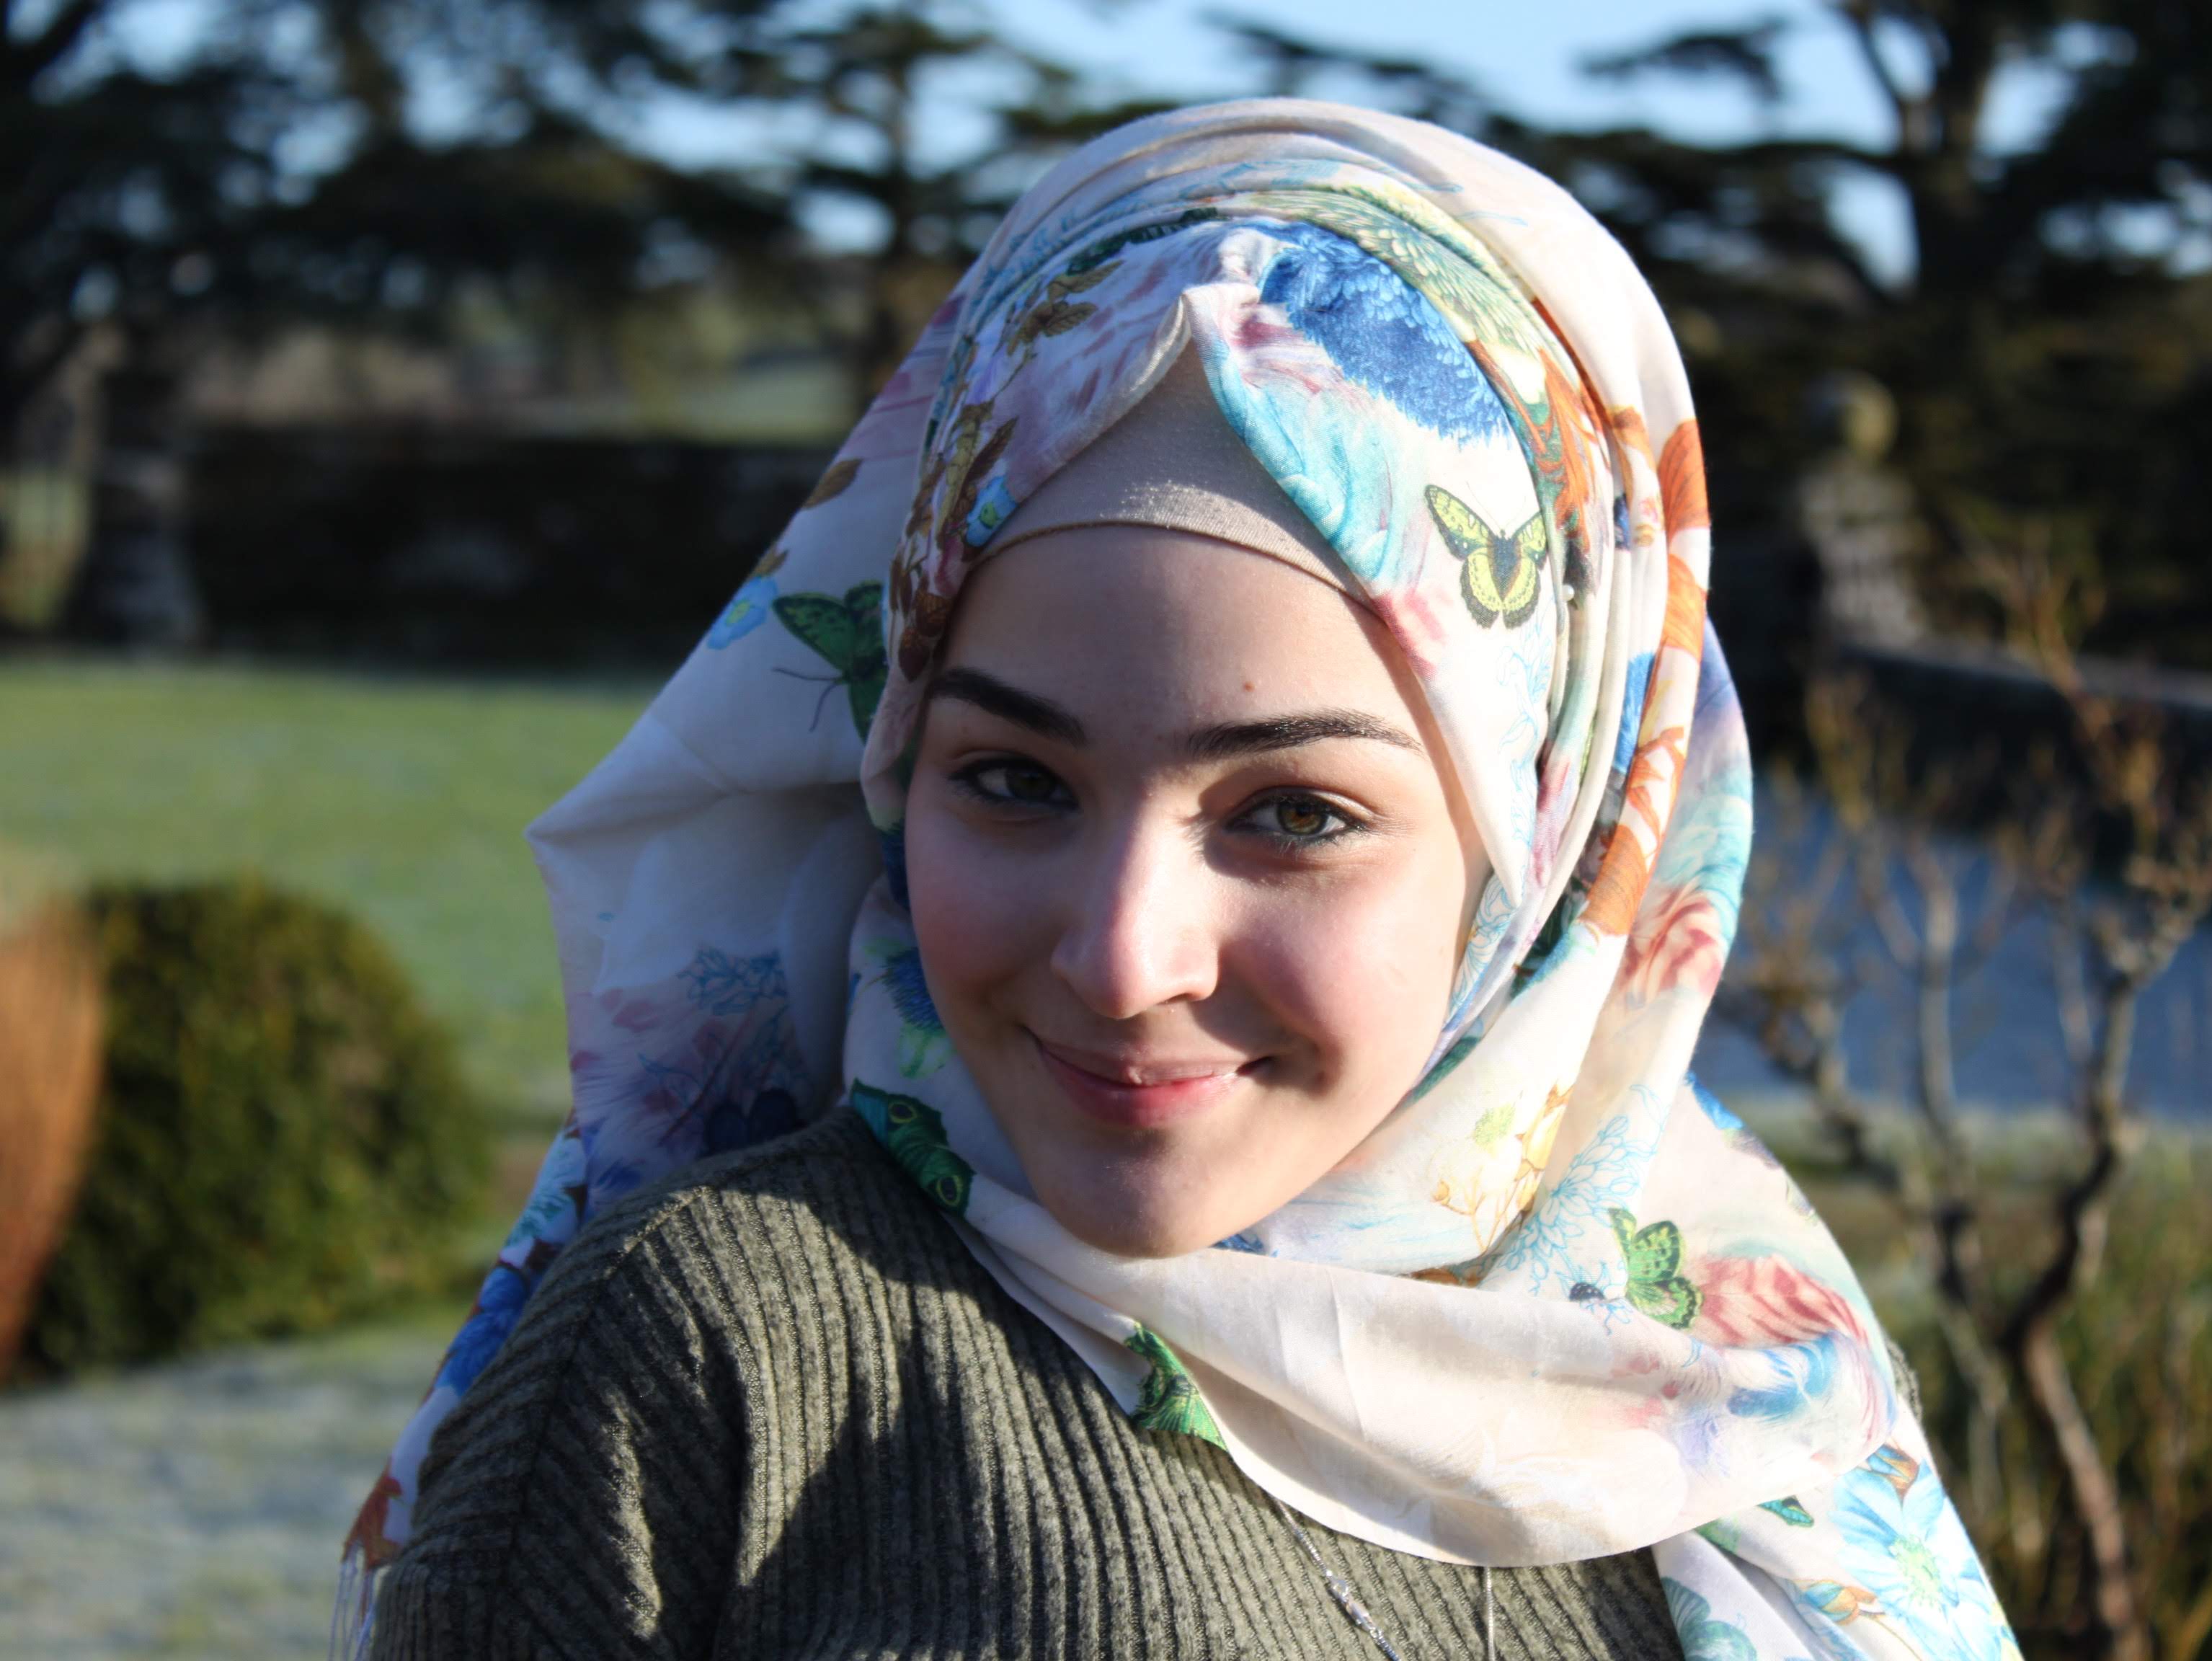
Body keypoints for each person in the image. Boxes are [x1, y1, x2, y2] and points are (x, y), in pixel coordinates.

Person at [339, 99, 2017, 1661]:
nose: (1125, 954)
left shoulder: (1744, 1402)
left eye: (1291, 815)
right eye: (1011, 779)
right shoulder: (708, 1369)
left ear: (1547, 853)